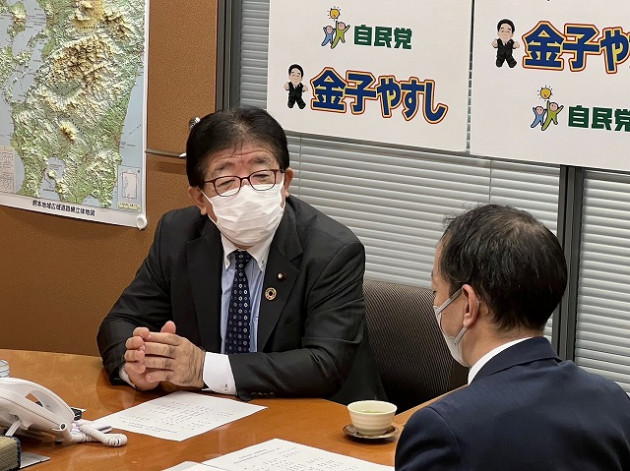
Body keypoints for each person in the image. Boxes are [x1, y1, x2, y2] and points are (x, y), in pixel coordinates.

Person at [97, 106, 384, 404]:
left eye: (262, 176)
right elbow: (120, 321)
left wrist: (203, 369)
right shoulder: (177, 234)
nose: (248, 193)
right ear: (200, 199)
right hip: (211, 415)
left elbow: (325, 364)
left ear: (285, 182)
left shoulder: (332, 250)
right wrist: (137, 366)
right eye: (226, 182)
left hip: (313, 416)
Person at [396, 205, 630, 470]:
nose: (435, 303)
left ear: (468, 305)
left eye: (435, 291)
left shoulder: (444, 429)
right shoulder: (613, 402)